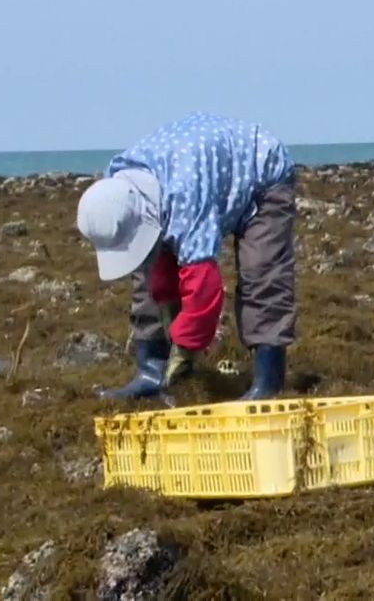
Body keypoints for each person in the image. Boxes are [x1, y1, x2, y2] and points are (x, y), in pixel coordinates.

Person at [75, 111, 297, 401]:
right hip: (198, 172)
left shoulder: (183, 200)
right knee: (147, 272)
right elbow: (159, 273)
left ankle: (268, 381)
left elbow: (204, 288)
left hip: (260, 171)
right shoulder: (117, 185)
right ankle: (151, 370)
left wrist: (185, 346)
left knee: (261, 272)